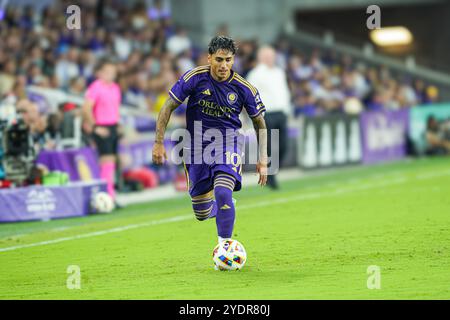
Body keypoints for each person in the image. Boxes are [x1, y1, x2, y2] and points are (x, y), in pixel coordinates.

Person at [152, 36, 268, 247]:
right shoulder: (194, 78)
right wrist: (158, 142)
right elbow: (167, 106)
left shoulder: (244, 88)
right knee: (202, 212)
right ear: (209, 59)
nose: (224, 65)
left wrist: (263, 158)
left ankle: (225, 247)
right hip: (196, 147)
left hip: (227, 142)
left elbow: (260, 123)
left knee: (223, 190)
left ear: (234, 60)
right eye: (219, 59)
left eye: (228, 60)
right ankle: (225, 206)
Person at [247, 46, 291, 189]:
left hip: (281, 112)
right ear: (261, 58)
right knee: (270, 148)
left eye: (272, 56)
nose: (270, 59)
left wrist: (287, 109)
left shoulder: (279, 72)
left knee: (283, 145)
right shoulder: (255, 74)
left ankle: (271, 173)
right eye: (267, 56)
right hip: (267, 113)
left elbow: (283, 91)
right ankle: (270, 177)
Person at [82, 59, 121, 205]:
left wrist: (118, 123)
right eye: (108, 71)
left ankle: (111, 194)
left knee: (112, 162)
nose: (111, 74)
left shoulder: (115, 87)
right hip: (101, 127)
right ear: (99, 73)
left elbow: (114, 108)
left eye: (113, 72)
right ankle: (107, 196)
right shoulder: (95, 87)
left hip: (113, 126)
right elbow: (86, 108)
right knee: (106, 161)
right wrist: (95, 127)